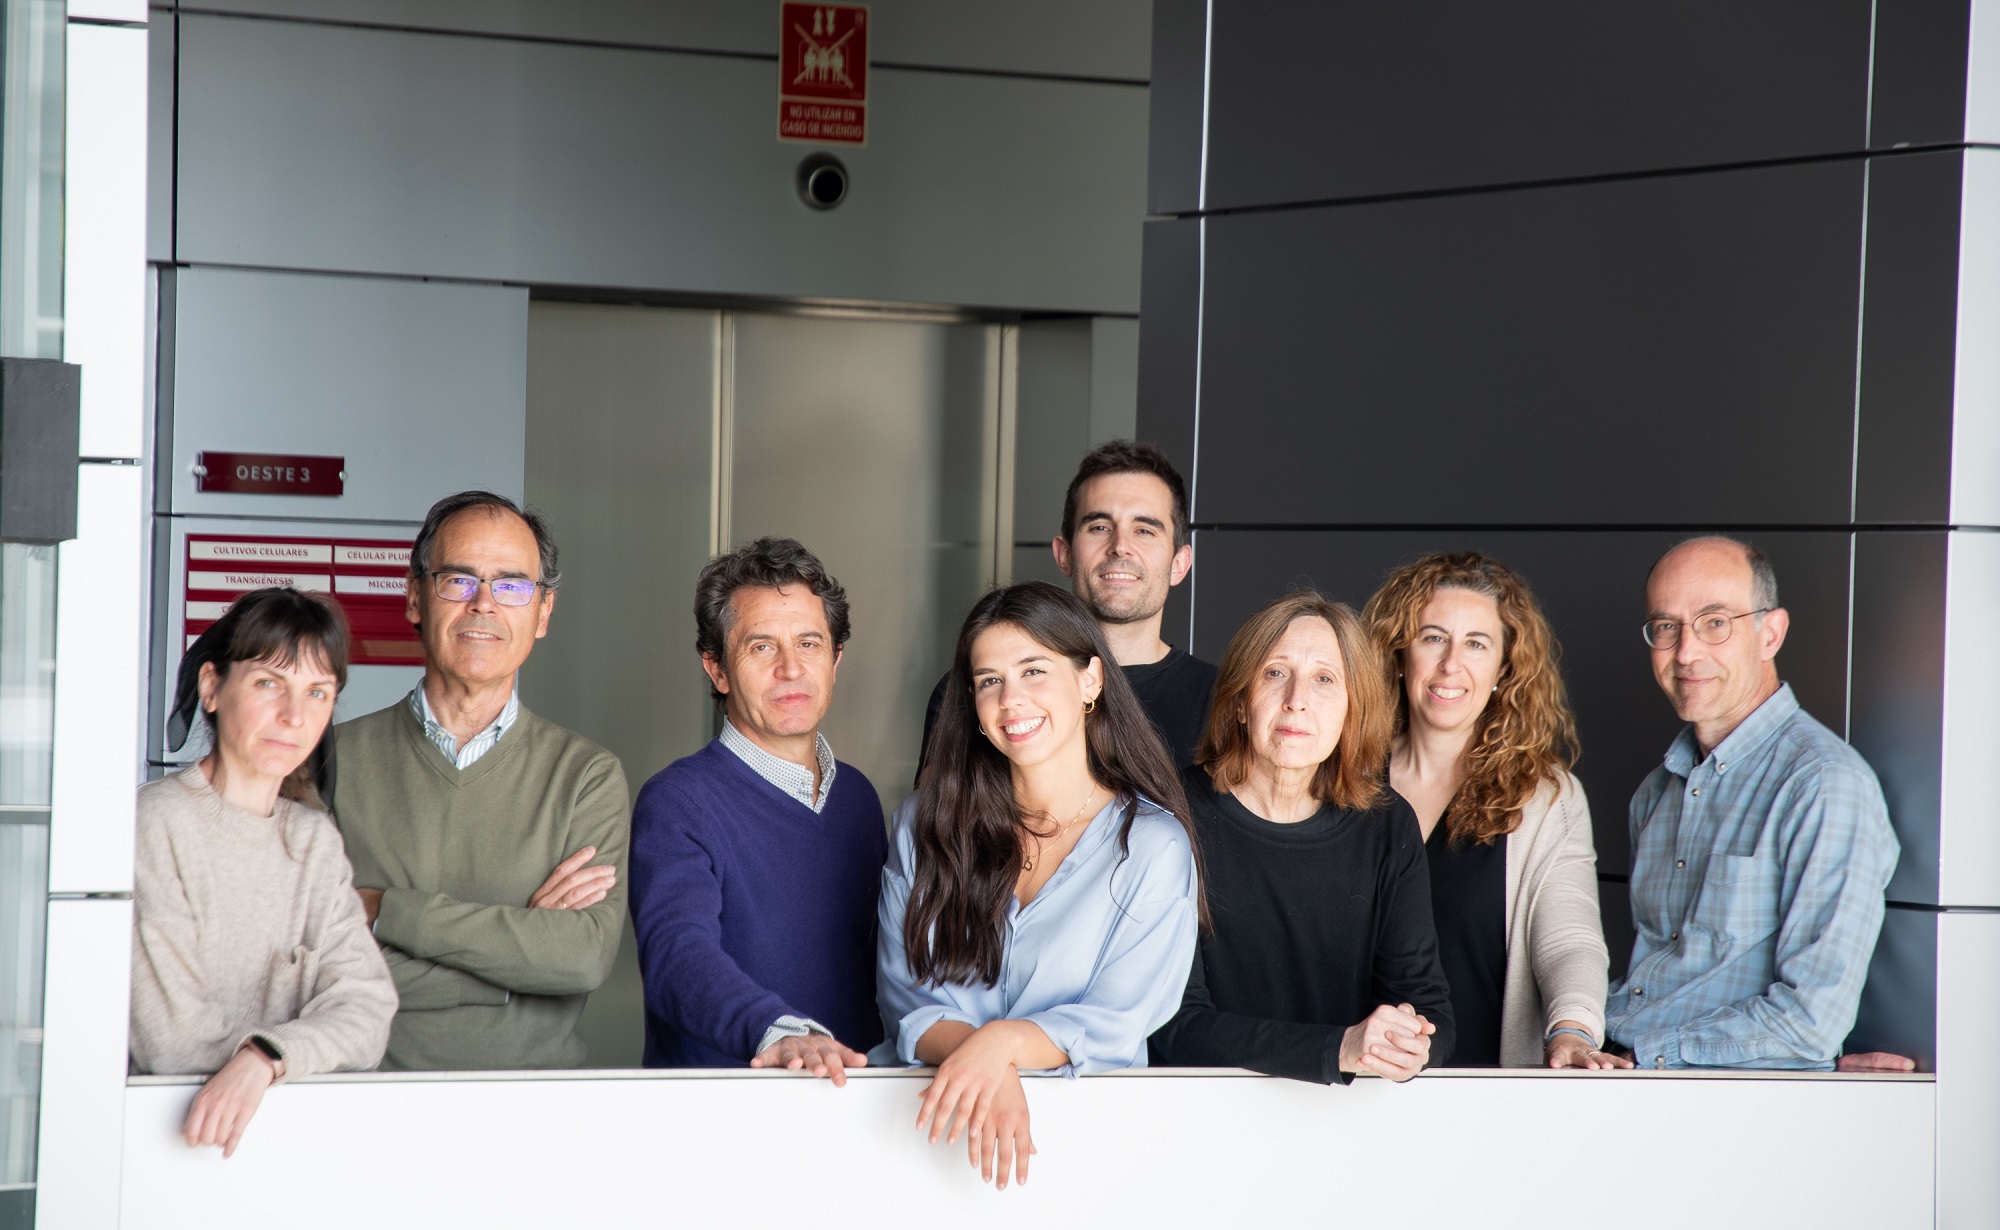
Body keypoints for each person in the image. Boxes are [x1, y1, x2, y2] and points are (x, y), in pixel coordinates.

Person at [878, 582, 1200, 1189]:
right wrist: (989, 1059)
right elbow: (905, 998)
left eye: (1034, 670)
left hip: (1089, 1149)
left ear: (1091, 681)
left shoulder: (1153, 846)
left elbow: (1118, 1019)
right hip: (918, 1137)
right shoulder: (925, 824)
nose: (1011, 699)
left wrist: (1000, 1043)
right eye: (989, 680)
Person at [332, 491, 629, 1070]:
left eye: (512, 585)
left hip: (535, 1119)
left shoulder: (585, 776)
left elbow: (579, 961)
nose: (484, 605)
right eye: (459, 581)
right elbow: (306, 966)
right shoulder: (328, 761)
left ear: (543, 613)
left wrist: (387, 909)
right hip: (366, 1111)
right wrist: (517, 969)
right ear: (416, 596)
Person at [1605, 536, 1899, 1070]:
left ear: (1771, 633)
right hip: (1626, 1078)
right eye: (1666, 627)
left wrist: (1639, 1056)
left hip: (1714, 1102)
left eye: (1715, 622)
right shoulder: (1658, 790)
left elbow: (1809, 1022)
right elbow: (1655, 981)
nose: (1687, 652)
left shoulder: (1823, 785)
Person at [132, 588, 396, 1158]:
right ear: (211, 687)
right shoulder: (156, 823)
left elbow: (369, 1012)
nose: (294, 716)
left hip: (290, 1148)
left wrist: (265, 1057)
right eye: (268, 683)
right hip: (162, 1147)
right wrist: (302, 1050)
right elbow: (175, 1045)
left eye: (317, 692)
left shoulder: (313, 842)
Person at [1150, 591, 1453, 1083]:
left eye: (1324, 679)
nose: (1296, 700)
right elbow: (1172, 1026)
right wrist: (1337, 1049)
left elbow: (1427, 1009)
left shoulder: (1387, 824)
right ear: (1241, 702)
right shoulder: (1172, 815)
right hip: (1201, 1113)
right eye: (1274, 673)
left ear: (1351, 711)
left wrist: (1409, 1045)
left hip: (1347, 1119)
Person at [629, 538, 885, 1080]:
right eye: (761, 647)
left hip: (850, 1104)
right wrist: (782, 1031)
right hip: (724, 1115)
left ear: (835, 661)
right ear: (717, 670)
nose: (791, 668)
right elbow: (677, 957)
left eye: (810, 644)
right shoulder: (677, 802)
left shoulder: (859, 799)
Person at [1363, 553, 1621, 1069]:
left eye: (1476, 644)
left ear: (1505, 668)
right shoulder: (1342, 776)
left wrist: (1572, 1030)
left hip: (1482, 1096)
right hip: (1343, 1084)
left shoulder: (1547, 796)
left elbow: (1569, 939)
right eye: (1433, 637)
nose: (1450, 664)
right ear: (1399, 653)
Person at [922, 441, 1217, 770]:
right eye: (1099, 527)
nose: (1120, 547)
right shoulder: (976, 694)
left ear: (1180, 563)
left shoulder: (1223, 701)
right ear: (1064, 554)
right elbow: (937, 816)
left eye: (1145, 530)